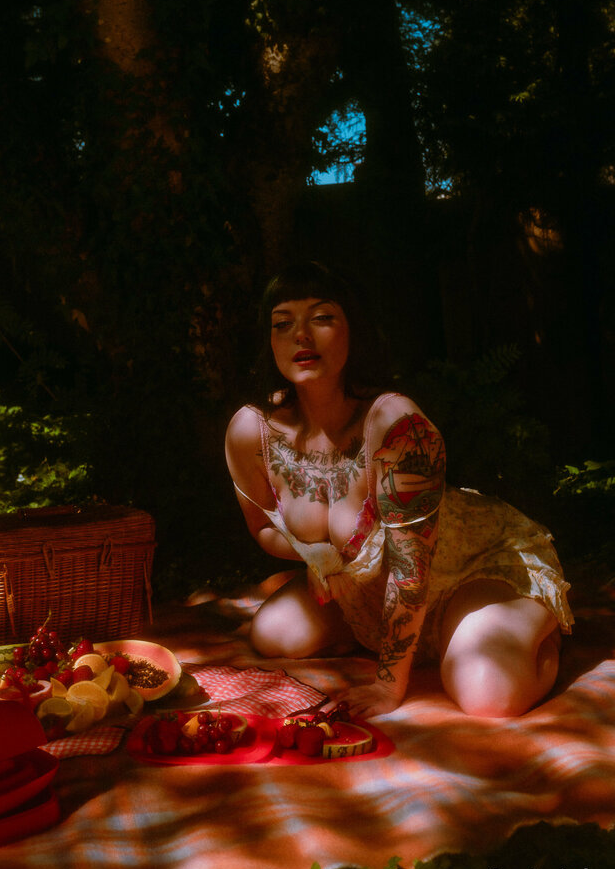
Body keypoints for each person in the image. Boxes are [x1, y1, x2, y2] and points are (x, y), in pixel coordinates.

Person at [225, 262, 573, 720]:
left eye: (322, 317)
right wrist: (317, 556)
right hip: (367, 587)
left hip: (470, 569)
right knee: (272, 634)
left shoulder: (398, 426)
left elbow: (411, 572)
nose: (301, 336)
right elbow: (262, 529)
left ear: (354, 330)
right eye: (283, 323)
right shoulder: (251, 431)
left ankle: (539, 632)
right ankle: (425, 638)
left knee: (489, 694)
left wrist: (389, 686)